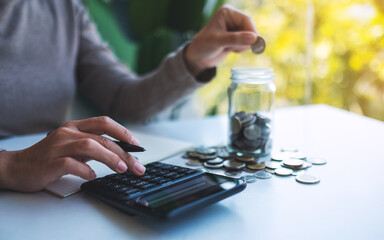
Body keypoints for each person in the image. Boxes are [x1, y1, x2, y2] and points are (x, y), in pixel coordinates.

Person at [0, 1, 259, 192]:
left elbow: (123, 99)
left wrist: (193, 59)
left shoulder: (64, 8)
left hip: (47, 197)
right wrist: (9, 165)